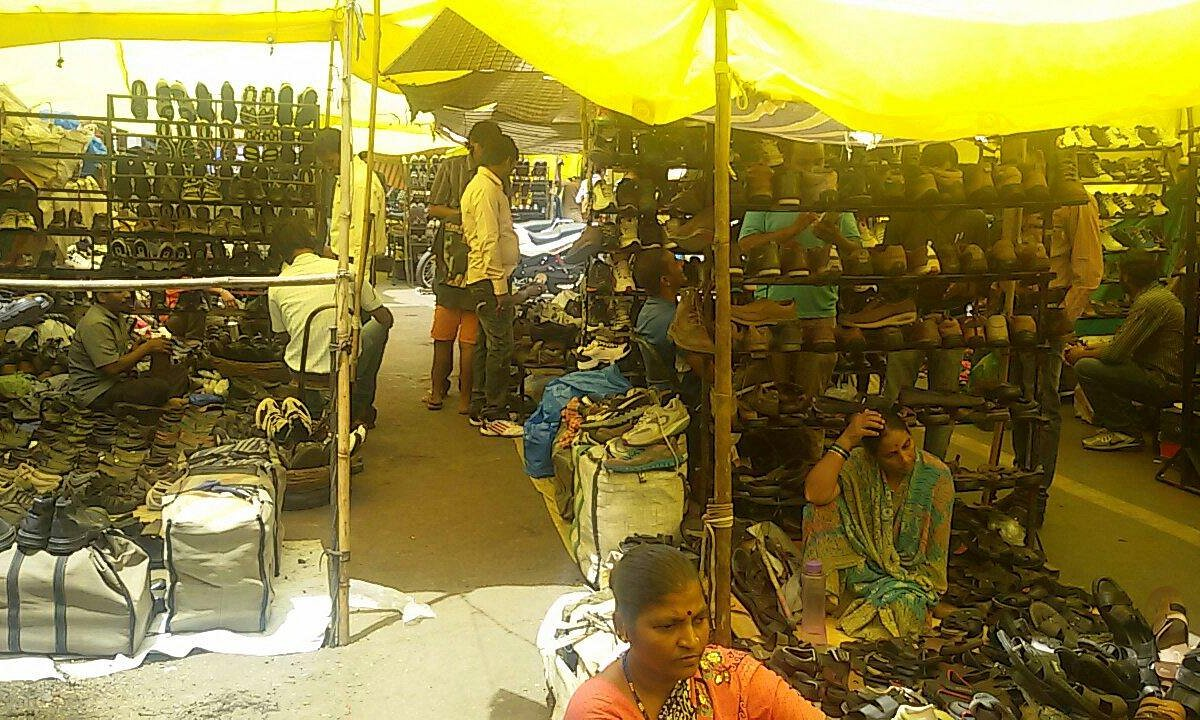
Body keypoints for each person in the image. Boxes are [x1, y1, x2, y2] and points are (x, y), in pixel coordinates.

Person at [564, 544, 825, 720]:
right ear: (622, 627)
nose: (691, 640)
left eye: (699, 619)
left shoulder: (731, 676)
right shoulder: (598, 711)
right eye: (667, 626)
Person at [801, 410, 953, 639]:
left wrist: (926, 593)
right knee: (819, 511)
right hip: (861, 570)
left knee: (906, 609)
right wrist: (846, 440)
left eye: (907, 445)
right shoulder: (859, 466)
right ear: (874, 457)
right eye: (891, 455)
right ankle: (841, 601)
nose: (904, 458)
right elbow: (815, 493)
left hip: (909, 581)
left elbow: (935, 557)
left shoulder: (936, 475)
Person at [1008, 141, 1103, 507]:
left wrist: (1065, 316)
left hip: (1050, 307)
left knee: (1044, 404)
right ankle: (1021, 477)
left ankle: (1036, 490)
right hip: (1018, 308)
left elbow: (1089, 269)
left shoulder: (1076, 203)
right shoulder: (1016, 197)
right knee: (1019, 399)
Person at [880, 142, 988, 459]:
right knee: (896, 394)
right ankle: (894, 460)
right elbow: (889, 263)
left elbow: (983, 274)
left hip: (951, 314)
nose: (940, 176)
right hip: (910, 311)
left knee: (946, 397)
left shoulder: (973, 217)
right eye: (932, 170)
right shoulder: (906, 214)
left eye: (946, 168)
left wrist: (964, 286)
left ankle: (935, 467)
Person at [738, 143, 862, 401]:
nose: (813, 169)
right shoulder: (767, 198)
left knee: (808, 405)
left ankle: (809, 441)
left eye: (818, 162)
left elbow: (858, 255)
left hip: (820, 318)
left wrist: (836, 237)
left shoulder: (833, 202)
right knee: (772, 402)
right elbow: (744, 245)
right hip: (771, 317)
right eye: (804, 163)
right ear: (788, 164)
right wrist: (789, 232)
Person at [267, 216, 393, 427]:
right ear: (312, 241)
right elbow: (385, 318)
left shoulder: (277, 284)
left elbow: (281, 336)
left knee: (303, 340)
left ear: (281, 251)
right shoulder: (346, 270)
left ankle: (315, 402)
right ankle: (360, 405)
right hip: (344, 365)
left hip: (301, 368)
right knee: (378, 330)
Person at [1066, 250, 1184, 451]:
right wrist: (1094, 347)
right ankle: (1129, 423)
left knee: (1086, 367)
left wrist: (1081, 354)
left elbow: (1115, 354)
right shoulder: (1158, 296)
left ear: (1126, 277)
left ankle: (1124, 430)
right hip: (1161, 372)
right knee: (1098, 359)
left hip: (1162, 379)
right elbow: (1124, 344)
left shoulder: (1150, 303)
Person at [423, 121, 503, 413]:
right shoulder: (453, 167)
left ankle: (461, 396)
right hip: (454, 260)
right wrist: (464, 215)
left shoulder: (493, 173)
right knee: (446, 333)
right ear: (475, 144)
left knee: (467, 338)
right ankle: (439, 390)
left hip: (476, 264)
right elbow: (433, 208)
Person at [463, 134, 523, 438]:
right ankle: (493, 414)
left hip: (485, 276)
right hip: (488, 278)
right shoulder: (486, 190)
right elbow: (488, 241)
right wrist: (500, 287)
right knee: (500, 346)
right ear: (507, 161)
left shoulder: (483, 186)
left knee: (488, 345)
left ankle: (480, 406)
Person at [67, 289, 189, 410]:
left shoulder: (116, 317)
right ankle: (162, 402)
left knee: (179, 372)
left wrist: (135, 350)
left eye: (128, 291)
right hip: (96, 391)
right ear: (101, 297)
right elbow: (111, 368)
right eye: (119, 291)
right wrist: (146, 348)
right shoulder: (96, 322)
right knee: (157, 387)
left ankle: (162, 400)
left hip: (115, 381)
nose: (127, 295)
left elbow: (119, 360)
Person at [315, 128, 387, 267]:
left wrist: (360, 278)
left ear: (344, 152)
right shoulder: (347, 177)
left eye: (330, 161)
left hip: (356, 261)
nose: (328, 167)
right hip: (346, 257)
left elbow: (363, 236)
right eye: (325, 163)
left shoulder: (360, 183)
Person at [633, 248, 687, 390]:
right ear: (665, 280)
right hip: (679, 393)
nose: (682, 264)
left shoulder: (650, 310)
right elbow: (707, 372)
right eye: (675, 262)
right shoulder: (672, 320)